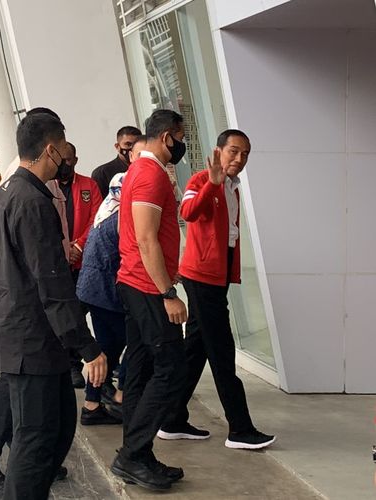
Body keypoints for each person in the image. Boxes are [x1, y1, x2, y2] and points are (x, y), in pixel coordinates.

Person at [0, 113, 107, 500]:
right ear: (50, 149)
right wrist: (87, 346)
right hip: (31, 339)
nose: (67, 157)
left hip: (35, 338)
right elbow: (52, 281)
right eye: (64, 149)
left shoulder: (11, 191)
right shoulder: (29, 200)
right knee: (36, 440)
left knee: (57, 430)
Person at [158, 130, 275, 450]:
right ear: (219, 152)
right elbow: (188, 212)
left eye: (245, 154)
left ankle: (170, 418)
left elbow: (229, 235)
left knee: (195, 351)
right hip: (201, 278)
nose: (239, 159)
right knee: (222, 353)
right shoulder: (201, 180)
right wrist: (212, 182)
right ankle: (240, 429)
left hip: (216, 277)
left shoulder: (234, 188)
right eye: (234, 151)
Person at [110, 109, 189, 491]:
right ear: (167, 136)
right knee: (171, 366)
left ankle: (137, 452)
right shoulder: (149, 175)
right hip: (147, 287)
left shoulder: (146, 172)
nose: (182, 144)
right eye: (180, 136)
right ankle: (132, 453)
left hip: (139, 284)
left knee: (140, 369)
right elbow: (145, 238)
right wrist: (168, 294)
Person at [77, 137, 148, 426]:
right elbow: (135, 251)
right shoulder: (123, 216)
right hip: (108, 292)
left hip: (96, 290)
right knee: (140, 340)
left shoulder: (106, 209)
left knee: (106, 349)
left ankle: (93, 405)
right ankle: (119, 397)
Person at [57, 141, 104, 388]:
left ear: (75, 160)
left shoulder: (88, 185)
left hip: (83, 263)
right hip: (57, 262)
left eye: (68, 160)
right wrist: (63, 249)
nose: (64, 165)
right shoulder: (46, 185)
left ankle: (79, 360)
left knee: (79, 313)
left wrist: (77, 247)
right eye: (60, 160)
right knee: (63, 314)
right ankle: (69, 364)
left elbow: (97, 218)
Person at [91, 126, 142, 198]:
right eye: (128, 144)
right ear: (117, 146)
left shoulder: (148, 168)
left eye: (136, 144)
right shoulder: (102, 174)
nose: (132, 148)